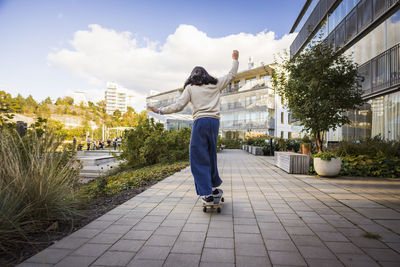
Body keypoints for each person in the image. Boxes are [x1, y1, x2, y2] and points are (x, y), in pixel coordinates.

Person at [148, 50, 239, 205]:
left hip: (201, 122)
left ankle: (206, 193)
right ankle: (212, 186)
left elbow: (178, 105)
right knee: (210, 155)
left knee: (197, 156)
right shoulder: (215, 84)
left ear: (192, 76)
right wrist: (235, 60)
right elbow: (231, 75)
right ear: (206, 75)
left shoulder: (190, 88)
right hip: (214, 123)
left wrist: (161, 110)